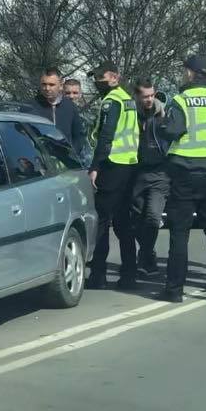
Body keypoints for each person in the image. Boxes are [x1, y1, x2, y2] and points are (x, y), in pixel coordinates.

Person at [156, 54, 206, 303]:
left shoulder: (181, 99)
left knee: (180, 233)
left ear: (190, 73)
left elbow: (173, 130)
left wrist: (161, 123)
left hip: (185, 173)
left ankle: (174, 290)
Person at [86, 62, 139, 290]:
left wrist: (95, 166)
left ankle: (98, 275)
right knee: (123, 222)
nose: (97, 82)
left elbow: (106, 136)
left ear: (115, 77)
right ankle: (129, 275)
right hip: (129, 165)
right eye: (96, 78)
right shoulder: (128, 99)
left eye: (101, 77)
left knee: (102, 221)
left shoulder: (112, 101)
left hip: (112, 164)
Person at [131, 79, 170, 277]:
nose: (149, 99)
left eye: (152, 95)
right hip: (136, 172)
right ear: (137, 96)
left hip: (160, 173)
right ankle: (148, 254)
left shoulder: (164, 114)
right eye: (145, 96)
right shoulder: (131, 114)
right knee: (137, 219)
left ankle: (146, 255)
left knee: (153, 217)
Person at [31, 67, 88, 161]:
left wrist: (73, 152)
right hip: (40, 160)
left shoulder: (70, 106)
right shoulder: (30, 107)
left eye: (51, 85)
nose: (47, 88)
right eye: (44, 84)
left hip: (67, 161)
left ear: (61, 85)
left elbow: (79, 135)